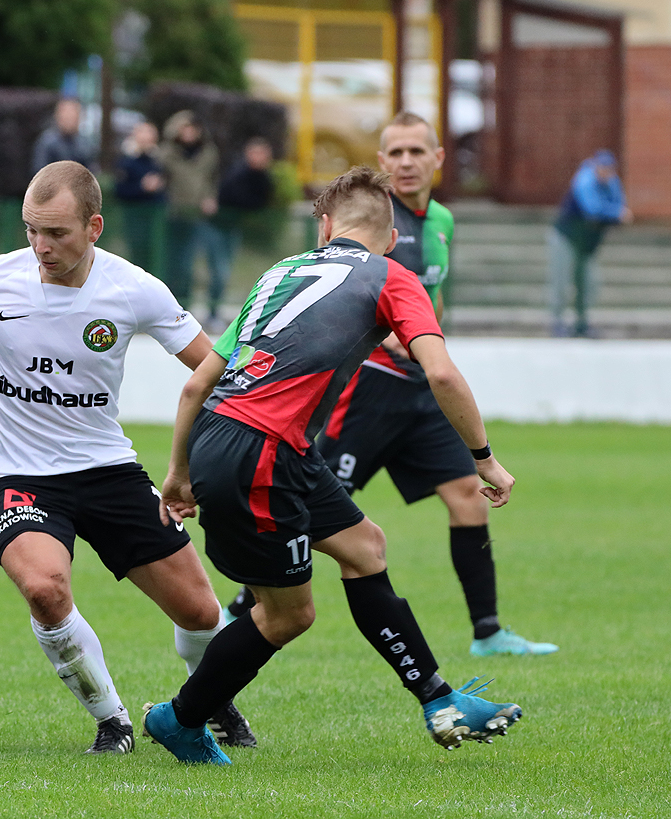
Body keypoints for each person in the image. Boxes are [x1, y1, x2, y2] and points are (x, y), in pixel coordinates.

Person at [0, 160, 255, 755]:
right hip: (19, 476)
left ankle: (210, 697)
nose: (41, 246)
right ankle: (113, 723)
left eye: (57, 233)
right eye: (31, 229)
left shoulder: (134, 289)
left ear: (95, 226)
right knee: (44, 588)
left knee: (198, 611)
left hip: (108, 468)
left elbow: (213, 368)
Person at [144, 166, 523, 765]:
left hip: (241, 439)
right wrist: (485, 459)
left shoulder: (277, 274)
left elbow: (196, 386)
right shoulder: (393, 276)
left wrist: (177, 472)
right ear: (392, 237)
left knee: (366, 547)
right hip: (261, 450)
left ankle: (439, 700)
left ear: (324, 228)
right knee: (288, 615)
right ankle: (180, 718)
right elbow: (442, 371)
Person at [226, 112, 557, 658]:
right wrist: (393, 340)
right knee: (311, 512)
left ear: (438, 158)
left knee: (469, 497)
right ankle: (245, 607)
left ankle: (488, 631)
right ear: (382, 163)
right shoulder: (371, 219)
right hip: (367, 392)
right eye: (395, 153)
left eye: (415, 152)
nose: (405, 162)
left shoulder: (443, 220)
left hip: (421, 391)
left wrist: (430, 338)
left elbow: (433, 297)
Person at [548, 149, 632, 338]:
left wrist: (616, 212)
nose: (605, 172)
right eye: (602, 167)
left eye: (609, 168)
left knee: (587, 282)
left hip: (588, 242)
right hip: (566, 238)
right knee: (562, 279)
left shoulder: (612, 183)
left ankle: (582, 323)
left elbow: (621, 205)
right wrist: (615, 214)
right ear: (595, 166)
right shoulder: (585, 179)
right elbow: (593, 209)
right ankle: (557, 322)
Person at [158, 110, 230, 330]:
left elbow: (213, 180)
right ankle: (173, 310)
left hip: (200, 217)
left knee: (203, 266)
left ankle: (206, 312)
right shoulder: (168, 153)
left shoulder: (208, 153)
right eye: (184, 129)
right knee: (176, 267)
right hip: (173, 216)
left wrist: (210, 197)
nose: (189, 133)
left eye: (192, 129)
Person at [113, 121, 165, 274]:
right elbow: (120, 190)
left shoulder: (157, 161)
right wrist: (142, 188)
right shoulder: (126, 161)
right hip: (134, 218)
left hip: (154, 219)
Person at [30, 98, 96, 176]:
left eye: (73, 115)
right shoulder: (47, 142)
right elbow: (39, 172)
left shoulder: (84, 143)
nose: (69, 119)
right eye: (66, 115)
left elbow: (91, 172)